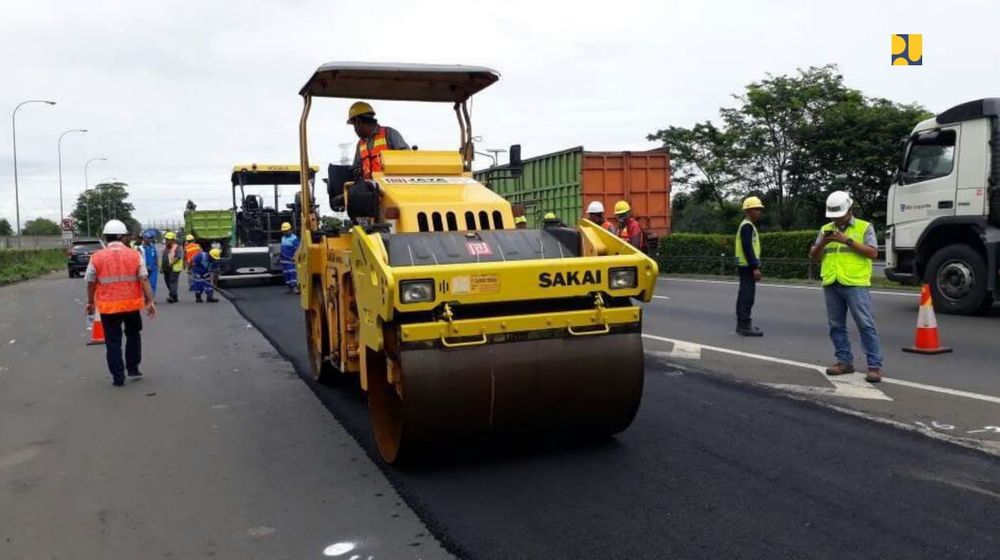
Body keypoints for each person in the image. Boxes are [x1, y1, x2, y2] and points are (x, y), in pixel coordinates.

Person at [809, 190, 884, 383]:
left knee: (866, 325)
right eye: (833, 215)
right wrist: (823, 242)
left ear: (850, 209)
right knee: (836, 326)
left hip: (855, 283)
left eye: (840, 214)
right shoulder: (825, 228)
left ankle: (874, 366)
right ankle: (844, 361)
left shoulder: (864, 227)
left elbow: (873, 253)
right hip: (832, 282)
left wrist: (847, 240)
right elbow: (814, 256)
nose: (837, 218)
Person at [85, 219, 156, 387]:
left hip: (109, 307)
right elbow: (144, 279)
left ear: (106, 237)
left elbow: (90, 281)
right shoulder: (134, 254)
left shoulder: (97, 257)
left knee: (113, 341)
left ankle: (118, 377)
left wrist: (90, 302)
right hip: (131, 305)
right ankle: (133, 368)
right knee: (133, 335)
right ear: (122, 236)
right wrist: (150, 301)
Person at [347, 101, 409, 181]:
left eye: (354, 125)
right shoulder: (360, 144)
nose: (355, 130)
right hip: (369, 190)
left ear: (358, 121)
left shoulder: (389, 134)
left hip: (391, 187)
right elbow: (356, 169)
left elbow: (407, 158)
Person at [735, 197, 765, 337]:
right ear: (748, 210)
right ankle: (744, 325)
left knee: (745, 295)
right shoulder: (747, 226)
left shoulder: (748, 225)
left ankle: (744, 324)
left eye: (760, 209)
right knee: (747, 296)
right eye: (756, 209)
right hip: (747, 266)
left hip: (745, 265)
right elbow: (747, 248)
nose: (759, 212)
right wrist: (755, 267)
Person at [161, 231, 184, 303]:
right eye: (166, 239)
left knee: (172, 282)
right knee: (167, 282)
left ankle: (172, 296)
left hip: (174, 268)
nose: (167, 241)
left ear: (173, 240)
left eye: (168, 239)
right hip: (166, 268)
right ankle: (174, 295)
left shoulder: (178, 247)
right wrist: (162, 267)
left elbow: (178, 257)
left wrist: (171, 264)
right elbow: (164, 258)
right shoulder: (166, 248)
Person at [279, 222, 300, 294]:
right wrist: (280, 257)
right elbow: (282, 249)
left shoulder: (294, 238)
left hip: (291, 260)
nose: (285, 232)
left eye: (286, 231)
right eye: (283, 231)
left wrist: (294, 257)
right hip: (284, 260)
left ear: (290, 230)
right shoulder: (283, 238)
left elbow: (297, 249)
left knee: (292, 273)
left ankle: (294, 287)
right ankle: (289, 287)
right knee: (286, 274)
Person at [140, 230, 158, 300]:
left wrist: (156, 266)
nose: (150, 239)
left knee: (152, 284)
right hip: (144, 269)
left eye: (150, 238)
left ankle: (151, 299)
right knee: (144, 285)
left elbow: (155, 257)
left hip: (153, 269)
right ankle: (145, 297)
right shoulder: (141, 248)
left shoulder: (153, 247)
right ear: (144, 238)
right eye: (148, 238)